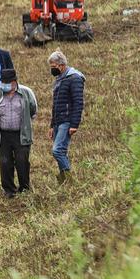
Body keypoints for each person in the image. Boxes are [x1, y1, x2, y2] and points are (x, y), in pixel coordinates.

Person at [0, 68, 37, 198]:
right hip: (3, 134)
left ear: (15, 82)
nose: (4, 85)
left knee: (22, 161)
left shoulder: (26, 93)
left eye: (7, 82)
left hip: (20, 134)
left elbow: (33, 109)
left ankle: (24, 188)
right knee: (5, 162)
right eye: (3, 82)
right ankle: (9, 190)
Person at [48, 50, 84, 184]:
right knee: (61, 152)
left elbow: (78, 102)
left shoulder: (74, 78)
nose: (52, 70)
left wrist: (74, 124)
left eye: (54, 67)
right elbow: (55, 104)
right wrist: (52, 125)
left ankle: (69, 180)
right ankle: (64, 181)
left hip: (67, 120)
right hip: (58, 121)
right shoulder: (59, 79)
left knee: (57, 151)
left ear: (61, 65)